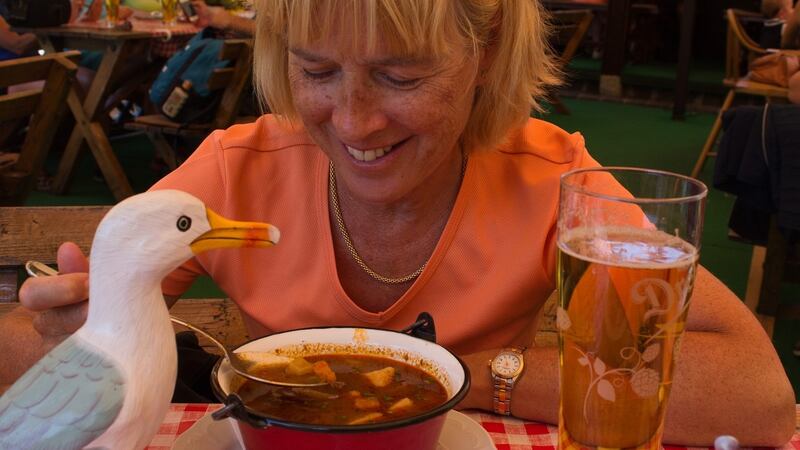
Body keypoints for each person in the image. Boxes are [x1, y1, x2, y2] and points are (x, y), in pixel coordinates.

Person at [1, 0, 796, 446]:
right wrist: (81, 328)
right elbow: (38, 365)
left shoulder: (555, 183)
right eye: (317, 70)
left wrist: (465, 376)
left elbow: (759, 398)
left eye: (401, 75)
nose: (353, 121)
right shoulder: (234, 171)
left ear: (484, 53)